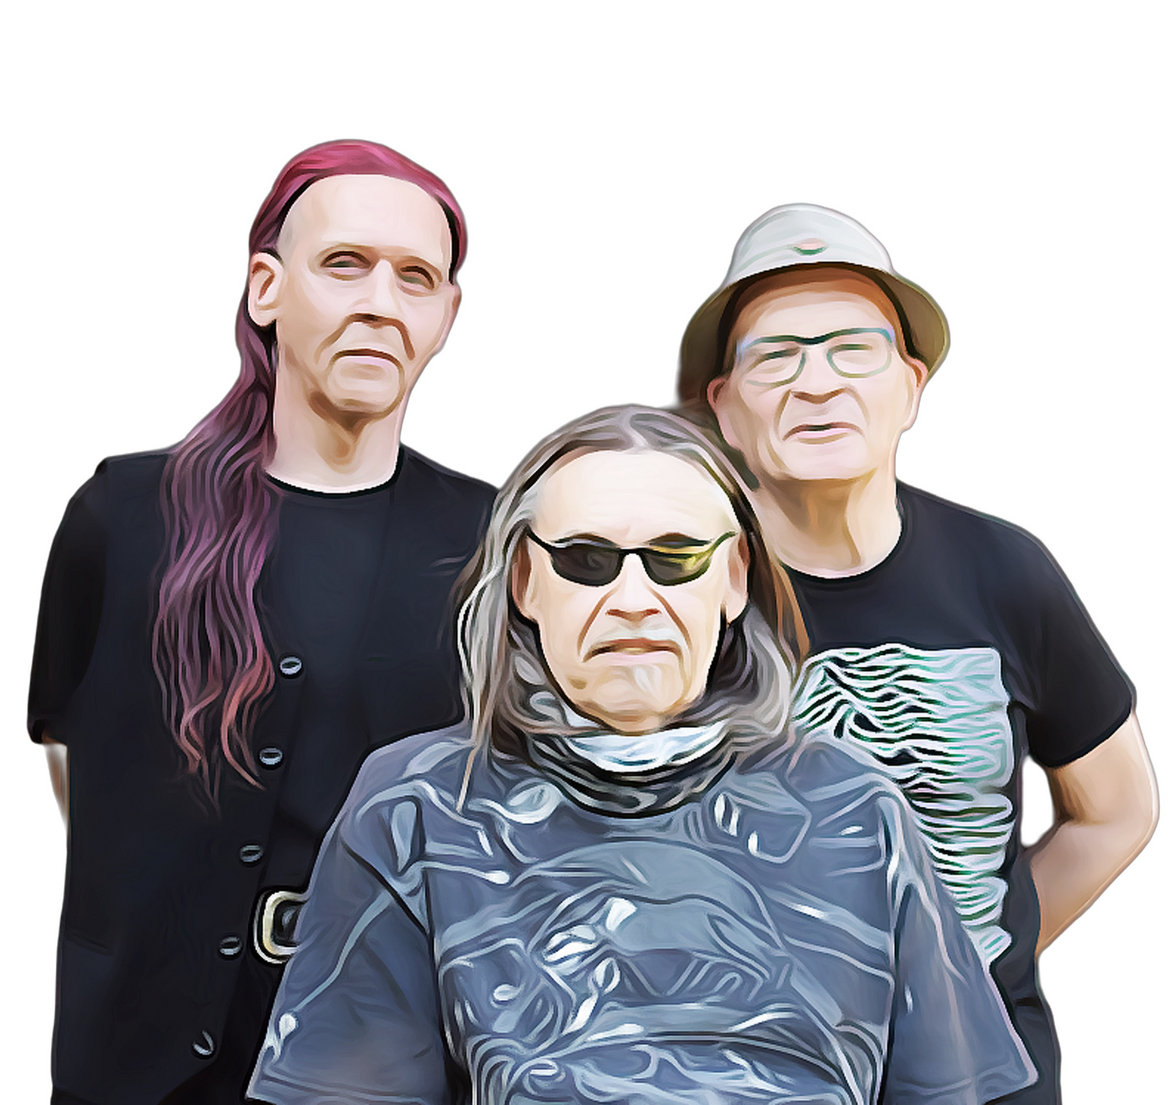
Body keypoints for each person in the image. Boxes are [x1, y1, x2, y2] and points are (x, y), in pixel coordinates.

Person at [249, 404, 1035, 1105]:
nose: (632, 599)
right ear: (524, 580)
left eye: (676, 557)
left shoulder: (857, 806)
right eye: (586, 560)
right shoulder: (415, 806)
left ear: (734, 578)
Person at [26, 140, 494, 1105]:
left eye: (416, 277)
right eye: (344, 264)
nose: (381, 303)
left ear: (447, 315)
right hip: (137, 1062)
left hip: (380, 1060)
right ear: (266, 287)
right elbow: (74, 757)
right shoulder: (123, 516)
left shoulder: (490, 543)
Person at [678, 203, 1159, 1103]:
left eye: (852, 349)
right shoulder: (671, 589)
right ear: (725, 407)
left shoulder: (1006, 570)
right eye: (774, 356)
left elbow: (1118, 809)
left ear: (910, 386)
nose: (816, 383)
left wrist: (971, 959)